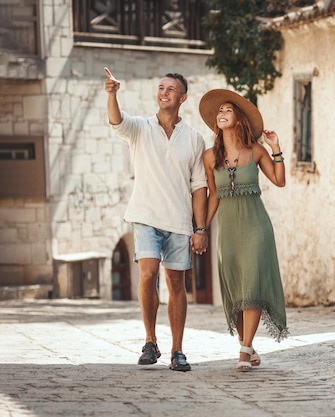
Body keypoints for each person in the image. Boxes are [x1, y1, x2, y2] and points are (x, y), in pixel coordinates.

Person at [104, 67, 209, 372]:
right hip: (145, 215)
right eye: (161, 88)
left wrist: (200, 228)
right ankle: (150, 341)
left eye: (170, 89)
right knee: (148, 273)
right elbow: (117, 121)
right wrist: (112, 95)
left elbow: (199, 186)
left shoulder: (194, 139)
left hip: (178, 220)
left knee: (177, 282)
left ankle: (177, 350)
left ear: (182, 97)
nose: (163, 92)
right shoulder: (140, 127)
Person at [199, 89, 289, 371]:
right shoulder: (210, 156)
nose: (222, 114)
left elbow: (279, 180)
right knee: (236, 290)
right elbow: (213, 195)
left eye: (228, 110)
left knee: (251, 284)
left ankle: (244, 349)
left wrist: (276, 147)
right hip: (227, 229)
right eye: (219, 112)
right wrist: (201, 228)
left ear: (238, 119)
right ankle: (247, 345)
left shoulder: (256, 150)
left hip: (256, 227)